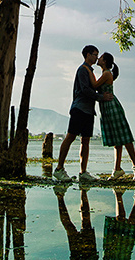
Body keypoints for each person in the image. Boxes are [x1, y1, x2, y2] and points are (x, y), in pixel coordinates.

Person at [54, 45, 113, 182]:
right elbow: (86, 90)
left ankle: (83, 172)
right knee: (70, 137)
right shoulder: (82, 70)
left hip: (88, 110)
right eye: (95, 54)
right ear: (87, 55)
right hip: (79, 108)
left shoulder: (90, 71)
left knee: (85, 141)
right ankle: (59, 169)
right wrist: (101, 97)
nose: (97, 57)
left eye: (98, 55)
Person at [87, 52, 135, 178]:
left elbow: (95, 85)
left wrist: (88, 70)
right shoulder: (105, 73)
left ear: (105, 61)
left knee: (123, 136)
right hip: (107, 107)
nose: (98, 58)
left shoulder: (107, 73)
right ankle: (117, 169)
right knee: (118, 140)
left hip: (111, 107)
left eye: (101, 57)